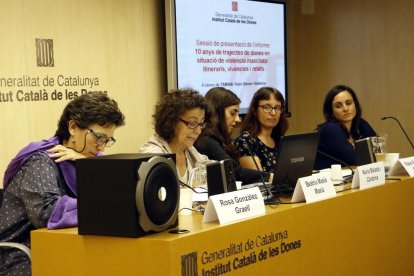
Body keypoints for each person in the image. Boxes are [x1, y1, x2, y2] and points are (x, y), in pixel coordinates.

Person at [0, 92, 125, 275]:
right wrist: (105, 204)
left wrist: (86, 164)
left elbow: (120, 193)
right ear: (73, 127)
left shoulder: (89, 158)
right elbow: (47, 214)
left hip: (66, 247)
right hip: (22, 255)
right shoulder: (40, 161)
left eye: (107, 140)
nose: (102, 146)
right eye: (98, 137)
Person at [194, 87, 271, 184]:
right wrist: (270, 177)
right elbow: (232, 171)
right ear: (217, 112)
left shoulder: (220, 138)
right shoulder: (207, 140)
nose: (238, 119)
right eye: (233, 113)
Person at [139, 89, 209, 185]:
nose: (198, 131)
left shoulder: (189, 151)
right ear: (172, 121)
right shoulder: (153, 155)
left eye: (201, 123)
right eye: (192, 123)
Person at [314, 84, 377, 169]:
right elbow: (354, 160)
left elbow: (378, 152)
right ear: (331, 111)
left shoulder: (360, 124)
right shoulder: (330, 129)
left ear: (355, 104)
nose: (345, 109)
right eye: (338, 106)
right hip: (328, 180)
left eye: (349, 103)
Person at [234, 87, 289, 173]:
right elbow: (258, 179)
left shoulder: (280, 139)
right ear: (255, 110)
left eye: (277, 108)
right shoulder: (245, 141)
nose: (273, 113)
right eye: (267, 107)